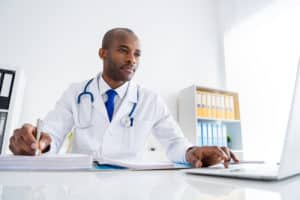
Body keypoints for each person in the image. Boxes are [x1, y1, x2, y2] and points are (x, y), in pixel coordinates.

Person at [9, 28, 239, 168]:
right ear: (103, 53)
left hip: (130, 188)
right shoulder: (76, 93)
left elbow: (175, 143)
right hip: (80, 188)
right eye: (123, 50)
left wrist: (192, 152)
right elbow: (53, 133)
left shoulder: (150, 100)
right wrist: (38, 143)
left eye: (137, 54)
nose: (132, 59)